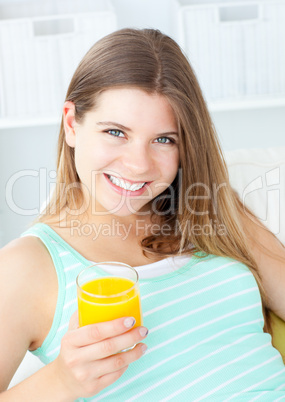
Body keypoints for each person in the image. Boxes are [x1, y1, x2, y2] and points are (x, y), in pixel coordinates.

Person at [0, 28, 284, 401]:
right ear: (72, 123)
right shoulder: (26, 266)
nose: (137, 165)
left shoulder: (211, 210)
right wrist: (61, 382)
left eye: (164, 139)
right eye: (116, 132)